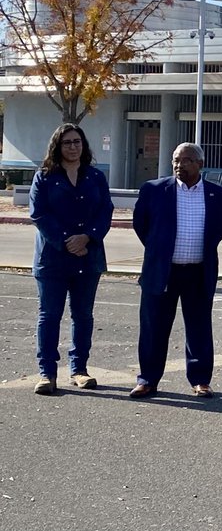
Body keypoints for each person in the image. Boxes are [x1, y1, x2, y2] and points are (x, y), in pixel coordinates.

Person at [130, 143, 222, 399]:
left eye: (186, 160)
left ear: (200, 164)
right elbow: (142, 225)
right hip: (162, 270)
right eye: (176, 160)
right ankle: (147, 379)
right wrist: (160, 249)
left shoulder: (219, 195)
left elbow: (219, 230)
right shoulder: (153, 190)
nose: (179, 165)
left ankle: (200, 380)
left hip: (198, 271)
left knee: (198, 327)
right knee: (154, 326)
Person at [29, 124, 114, 395]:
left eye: (77, 142)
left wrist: (87, 237)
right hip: (53, 258)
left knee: (83, 316)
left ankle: (79, 369)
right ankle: (47, 373)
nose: (73, 147)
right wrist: (67, 240)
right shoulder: (44, 177)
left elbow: (105, 211)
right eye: (67, 143)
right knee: (49, 315)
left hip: (87, 258)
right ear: (58, 146)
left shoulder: (95, 177)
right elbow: (39, 214)